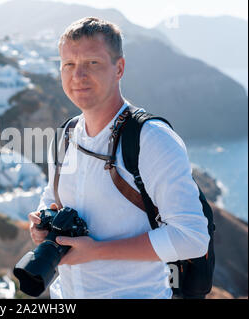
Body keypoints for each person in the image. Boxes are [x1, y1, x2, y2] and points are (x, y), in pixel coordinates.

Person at [28, 17, 210, 299]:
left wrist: (98, 252)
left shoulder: (151, 139)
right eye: (69, 65)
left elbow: (193, 238)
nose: (78, 75)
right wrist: (41, 224)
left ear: (119, 68)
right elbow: (51, 197)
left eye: (93, 63)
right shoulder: (65, 135)